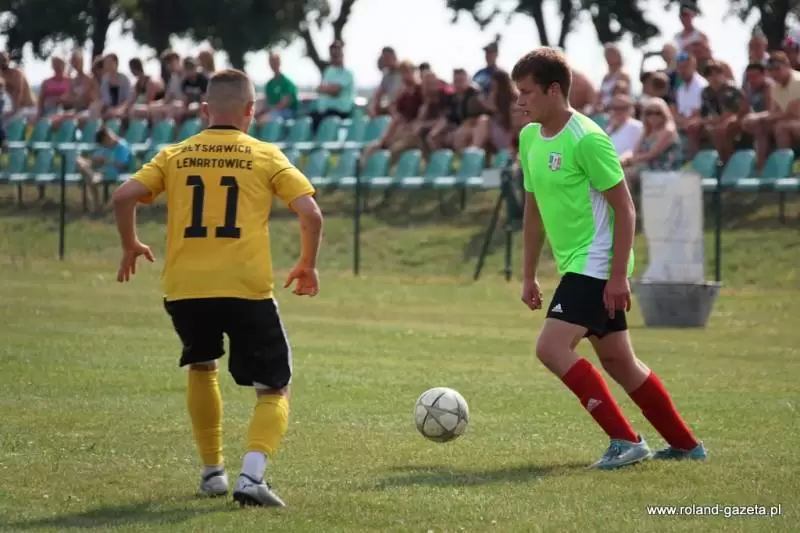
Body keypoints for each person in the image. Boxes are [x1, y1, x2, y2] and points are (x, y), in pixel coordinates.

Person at [110, 69, 324, 507]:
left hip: (185, 287)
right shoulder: (264, 155)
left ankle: (212, 473)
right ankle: (251, 477)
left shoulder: (175, 154)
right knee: (274, 387)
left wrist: (130, 244)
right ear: (251, 110)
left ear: (205, 110)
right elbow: (311, 214)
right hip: (246, 287)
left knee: (202, 366)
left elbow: (123, 196)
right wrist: (307, 264)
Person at [511, 47, 706, 469]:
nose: (519, 100)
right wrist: (528, 275)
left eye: (526, 92)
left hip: (597, 263)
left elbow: (625, 208)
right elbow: (533, 211)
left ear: (553, 90)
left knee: (551, 348)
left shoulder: (587, 138)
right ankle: (686, 445)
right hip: (578, 265)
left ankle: (625, 440)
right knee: (620, 361)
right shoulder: (529, 139)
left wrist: (619, 275)